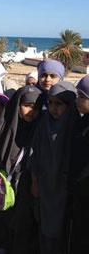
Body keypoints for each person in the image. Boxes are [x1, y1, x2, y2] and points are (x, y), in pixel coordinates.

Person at [0, 85, 42, 253]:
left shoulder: (39, 129)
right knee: (2, 220)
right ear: (17, 104)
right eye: (28, 105)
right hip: (1, 184)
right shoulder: (2, 126)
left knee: (22, 222)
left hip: (26, 184)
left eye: (36, 107)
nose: (32, 111)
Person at [30, 82, 79, 254]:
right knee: (45, 229)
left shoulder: (77, 128)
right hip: (46, 187)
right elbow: (35, 154)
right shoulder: (44, 124)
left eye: (58, 104)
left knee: (64, 232)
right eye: (50, 103)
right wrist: (35, 181)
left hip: (65, 190)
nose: (53, 108)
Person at [69, 75, 89, 253]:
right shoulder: (82, 122)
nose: (78, 100)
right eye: (77, 95)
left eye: (82, 96)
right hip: (79, 193)